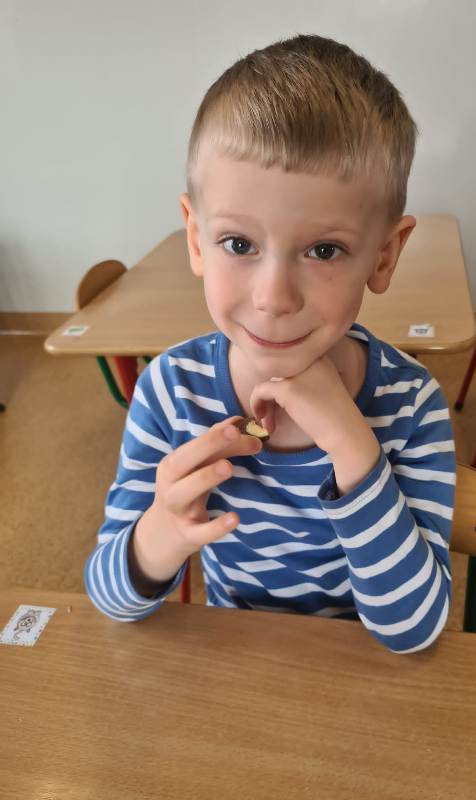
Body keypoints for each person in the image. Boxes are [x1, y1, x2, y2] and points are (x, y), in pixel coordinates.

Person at [85, 34, 456, 653]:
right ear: (196, 240)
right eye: (239, 244)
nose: (274, 297)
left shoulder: (410, 405)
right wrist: (163, 532)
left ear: (384, 256)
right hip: (236, 669)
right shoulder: (172, 393)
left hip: (360, 672)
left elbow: (413, 630)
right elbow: (109, 599)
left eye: (324, 250)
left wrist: (352, 445)